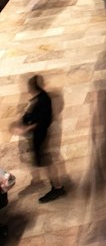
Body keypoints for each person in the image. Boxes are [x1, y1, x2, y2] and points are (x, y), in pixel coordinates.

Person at [15, 75, 65, 203]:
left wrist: (27, 128)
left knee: (48, 163)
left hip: (42, 137)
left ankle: (57, 188)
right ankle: (54, 186)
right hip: (39, 136)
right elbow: (30, 116)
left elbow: (43, 120)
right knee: (46, 162)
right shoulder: (38, 99)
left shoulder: (43, 100)